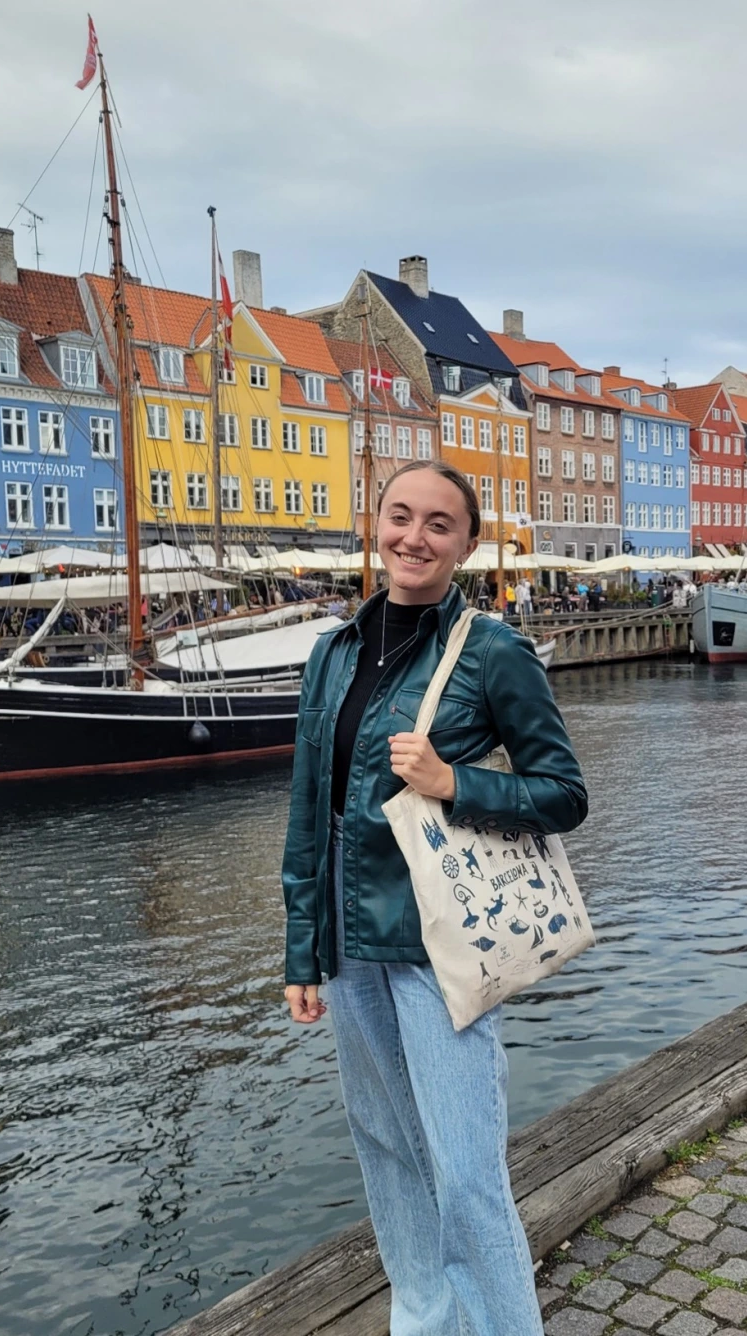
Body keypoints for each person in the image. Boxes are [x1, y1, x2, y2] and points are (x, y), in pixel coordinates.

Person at [282, 460, 587, 1336]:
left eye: (438, 524)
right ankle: (424, 1322)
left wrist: (458, 783)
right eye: (400, 517)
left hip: (442, 942)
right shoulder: (331, 654)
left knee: (463, 1171)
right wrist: (304, 947)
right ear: (373, 524)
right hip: (348, 943)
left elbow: (564, 793)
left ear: (467, 544)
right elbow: (309, 810)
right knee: (386, 1151)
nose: (414, 538)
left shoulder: (493, 650)